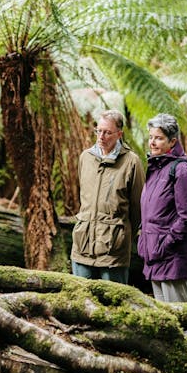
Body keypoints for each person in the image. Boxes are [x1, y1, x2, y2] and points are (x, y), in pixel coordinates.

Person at [70, 109, 145, 284]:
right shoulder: (85, 158)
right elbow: (83, 199)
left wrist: (124, 235)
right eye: (98, 131)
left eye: (107, 132)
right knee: (80, 301)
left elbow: (138, 208)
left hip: (114, 250)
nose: (101, 136)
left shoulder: (131, 162)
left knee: (114, 304)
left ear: (119, 134)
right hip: (83, 245)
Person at [138, 113, 187, 302]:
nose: (152, 143)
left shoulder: (180, 170)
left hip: (173, 258)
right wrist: (143, 242)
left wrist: (166, 243)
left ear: (172, 142)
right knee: (164, 320)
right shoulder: (155, 168)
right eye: (151, 137)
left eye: (159, 138)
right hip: (154, 256)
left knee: (180, 318)